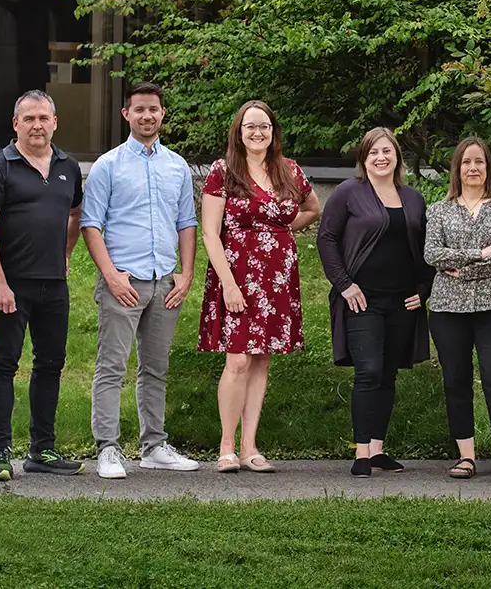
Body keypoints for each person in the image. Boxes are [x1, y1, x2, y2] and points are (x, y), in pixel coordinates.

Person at [81, 82, 200, 479]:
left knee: (155, 367)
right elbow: (90, 224)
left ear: (163, 114)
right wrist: (111, 275)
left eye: (154, 109)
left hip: (165, 282)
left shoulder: (177, 166)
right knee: (111, 366)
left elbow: (186, 223)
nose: (147, 116)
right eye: (139, 110)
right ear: (126, 114)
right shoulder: (107, 166)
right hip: (124, 281)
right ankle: (108, 448)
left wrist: (186, 273)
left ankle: (154, 446)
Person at [198, 100, 320, 473]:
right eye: (250, 126)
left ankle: (251, 447)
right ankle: (226, 447)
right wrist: (229, 285)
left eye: (264, 126)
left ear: (273, 132)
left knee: (260, 359)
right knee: (236, 359)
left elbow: (313, 208)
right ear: (238, 131)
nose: (257, 132)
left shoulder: (289, 171)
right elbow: (209, 233)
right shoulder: (223, 171)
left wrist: (283, 232)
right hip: (235, 273)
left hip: (276, 277)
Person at [0, 90, 85, 481]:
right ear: (15, 124)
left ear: (54, 122)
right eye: (29, 118)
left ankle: (42, 451)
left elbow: (74, 215)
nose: (37, 125)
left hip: (54, 285)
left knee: (51, 364)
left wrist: (65, 255)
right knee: (4, 364)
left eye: (43, 118)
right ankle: (0, 450)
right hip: (12, 286)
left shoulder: (68, 166)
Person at [317, 127, 432, 478]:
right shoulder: (348, 193)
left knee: (387, 374)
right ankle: (362, 452)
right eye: (373, 153)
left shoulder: (412, 198)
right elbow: (327, 238)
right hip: (361, 299)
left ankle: (379, 449)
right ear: (363, 158)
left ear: (397, 156)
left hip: (402, 301)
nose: (381, 158)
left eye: (387, 151)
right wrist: (345, 284)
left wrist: (423, 289)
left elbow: (426, 248)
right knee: (368, 372)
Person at [424, 137, 491, 487]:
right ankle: (466, 457)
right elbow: (432, 255)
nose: (473, 168)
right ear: (457, 168)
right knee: (456, 380)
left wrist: (461, 260)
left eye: (479, 162)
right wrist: (482, 255)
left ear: (488, 167)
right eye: (466, 162)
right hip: (447, 308)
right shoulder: (439, 210)